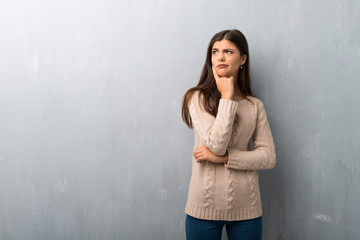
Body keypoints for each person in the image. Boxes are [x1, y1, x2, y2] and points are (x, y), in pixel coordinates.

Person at [181, 29, 276, 240]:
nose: (220, 57)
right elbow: (216, 144)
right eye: (215, 52)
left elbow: (268, 157)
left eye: (228, 51)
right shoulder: (197, 98)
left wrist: (225, 158)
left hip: (247, 210)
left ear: (243, 58)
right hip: (203, 208)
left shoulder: (254, 105)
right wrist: (227, 96)